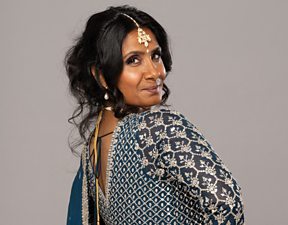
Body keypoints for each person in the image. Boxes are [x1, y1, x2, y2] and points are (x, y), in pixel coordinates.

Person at [65, 5, 245, 225]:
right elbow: (227, 203)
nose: (155, 72)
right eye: (134, 60)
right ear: (101, 75)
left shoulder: (92, 148)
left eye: (156, 56)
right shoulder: (158, 126)